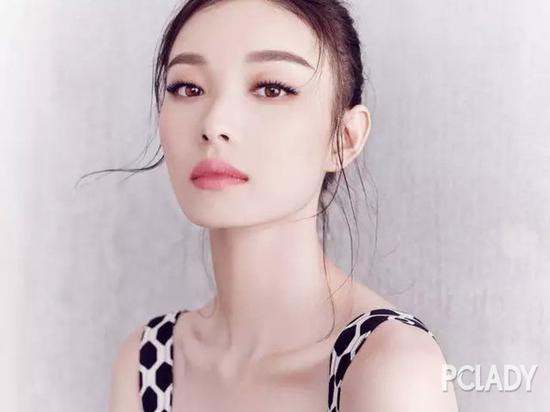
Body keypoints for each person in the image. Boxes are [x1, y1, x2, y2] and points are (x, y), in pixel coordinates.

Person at [107, 0, 459, 411]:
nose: (214, 124)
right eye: (188, 88)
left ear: (344, 138)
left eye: (271, 89)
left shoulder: (391, 367)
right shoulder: (148, 363)